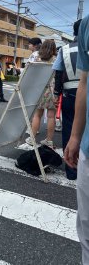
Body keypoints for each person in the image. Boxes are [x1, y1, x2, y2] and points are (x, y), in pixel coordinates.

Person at [64, 16, 89, 264]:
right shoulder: (87, 26)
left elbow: (58, 76)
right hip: (88, 148)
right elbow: (85, 80)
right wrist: (75, 136)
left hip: (67, 95)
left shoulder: (62, 50)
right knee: (86, 227)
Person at [52, 19, 82, 180]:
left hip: (70, 94)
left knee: (69, 131)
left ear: (74, 32)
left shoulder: (64, 49)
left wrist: (57, 93)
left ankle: (71, 171)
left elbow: (58, 72)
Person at [26, 40, 57, 148]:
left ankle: (32, 138)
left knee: (37, 115)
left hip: (39, 89)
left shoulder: (35, 56)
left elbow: (28, 72)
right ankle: (49, 140)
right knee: (51, 116)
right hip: (53, 90)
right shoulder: (56, 58)